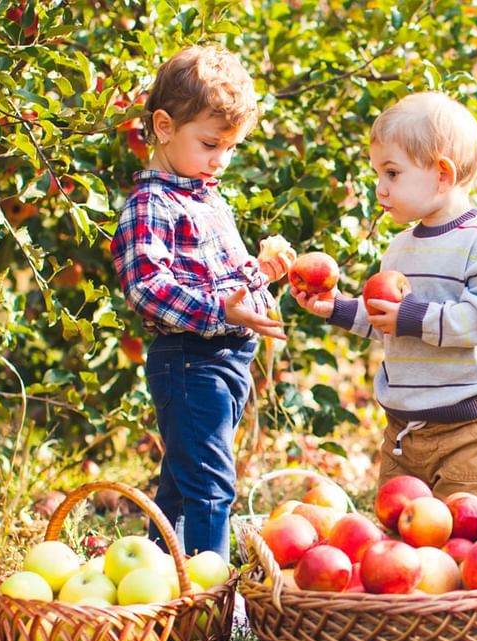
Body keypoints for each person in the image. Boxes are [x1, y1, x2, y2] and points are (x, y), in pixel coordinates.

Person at [293, 92, 477, 510]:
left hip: (468, 430)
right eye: (378, 173)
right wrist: (339, 308)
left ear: (442, 174)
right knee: (398, 547)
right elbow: (392, 326)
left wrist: (411, 316)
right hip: (403, 433)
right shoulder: (399, 248)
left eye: (392, 173)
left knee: (465, 546)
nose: (380, 188)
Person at [111, 44, 290, 560]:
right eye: (211, 144)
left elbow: (224, 284)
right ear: (164, 126)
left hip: (226, 363)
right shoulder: (152, 203)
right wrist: (220, 313)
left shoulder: (204, 193)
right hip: (190, 363)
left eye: (231, 148)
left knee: (184, 476)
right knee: (212, 484)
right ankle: (213, 598)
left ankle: (163, 574)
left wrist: (264, 273)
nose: (221, 160)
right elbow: (148, 287)